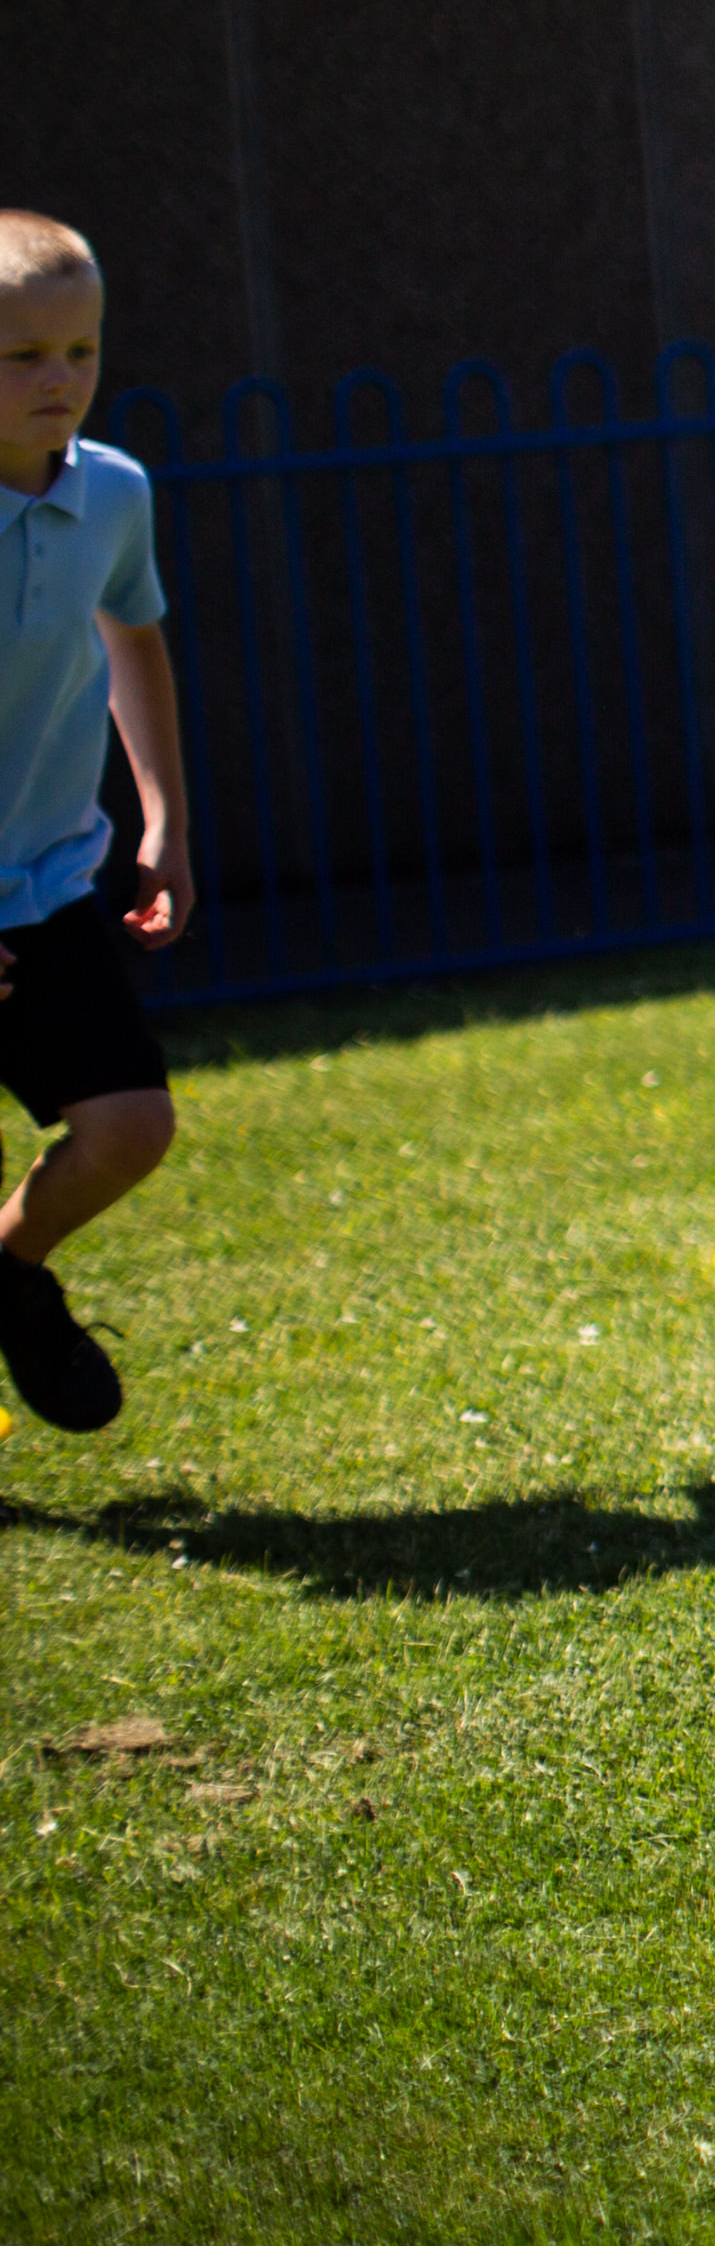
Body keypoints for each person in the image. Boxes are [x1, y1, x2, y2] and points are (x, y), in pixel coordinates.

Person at [0, 214, 196, 1431]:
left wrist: (165, 817)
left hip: (49, 884)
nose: (60, 379)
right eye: (21, 358)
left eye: (80, 349)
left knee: (129, 1126)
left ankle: (7, 1277)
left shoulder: (115, 492)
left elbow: (135, 637)